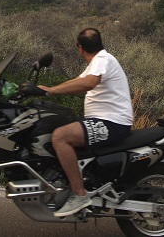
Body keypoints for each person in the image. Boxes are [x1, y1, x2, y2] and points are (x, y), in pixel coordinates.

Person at [37, 28, 133, 217]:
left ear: (80, 48)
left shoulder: (102, 60)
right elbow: (77, 81)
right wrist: (46, 90)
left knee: (60, 137)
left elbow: (87, 83)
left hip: (111, 123)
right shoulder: (99, 62)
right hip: (105, 121)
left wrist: (50, 91)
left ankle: (79, 194)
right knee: (58, 128)